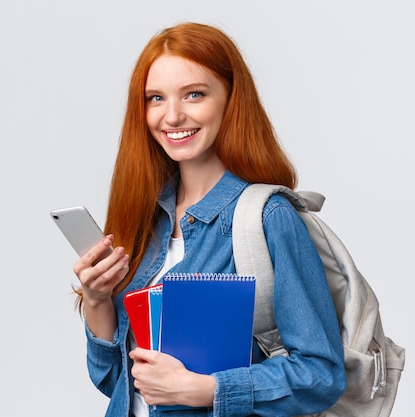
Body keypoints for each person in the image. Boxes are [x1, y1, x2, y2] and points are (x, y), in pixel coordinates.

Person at [72, 22, 346, 417]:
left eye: (194, 94)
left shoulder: (269, 217)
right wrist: (97, 300)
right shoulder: (147, 222)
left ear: (231, 100)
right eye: (155, 98)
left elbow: (322, 375)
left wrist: (206, 389)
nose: (172, 116)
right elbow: (118, 385)